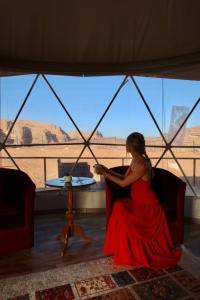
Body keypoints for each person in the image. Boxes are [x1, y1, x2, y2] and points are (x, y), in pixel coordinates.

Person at [94, 132, 181, 269]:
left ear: (129, 146)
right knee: (118, 205)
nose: (125, 146)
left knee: (120, 208)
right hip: (137, 202)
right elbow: (124, 177)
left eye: (126, 144)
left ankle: (128, 252)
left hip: (148, 206)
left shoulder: (142, 165)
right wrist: (107, 170)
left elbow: (123, 184)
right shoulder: (135, 160)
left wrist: (104, 174)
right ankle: (120, 249)